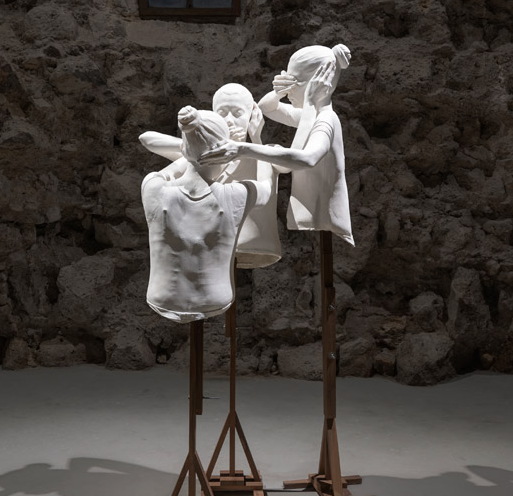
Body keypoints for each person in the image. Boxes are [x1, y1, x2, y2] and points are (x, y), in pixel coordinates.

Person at [200, 44, 354, 246]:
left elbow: (303, 160)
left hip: (324, 208)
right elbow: (267, 107)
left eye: (295, 83)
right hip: (313, 206)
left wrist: (243, 149)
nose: (290, 90)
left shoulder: (326, 119)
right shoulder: (310, 116)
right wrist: (278, 91)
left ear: (317, 83)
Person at [141, 107, 268, 322]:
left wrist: (193, 147)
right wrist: (254, 142)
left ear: (184, 149)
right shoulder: (237, 194)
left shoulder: (152, 187)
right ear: (226, 153)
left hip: (162, 298)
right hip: (214, 301)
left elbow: (169, 167)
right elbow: (267, 186)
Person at [139, 83, 281, 268]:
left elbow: (289, 165)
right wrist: (202, 142)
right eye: (222, 113)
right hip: (213, 243)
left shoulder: (267, 152)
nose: (229, 120)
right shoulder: (203, 156)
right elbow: (147, 139)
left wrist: (254, 142)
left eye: (237, 113)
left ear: (252, 117)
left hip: (252, 244)